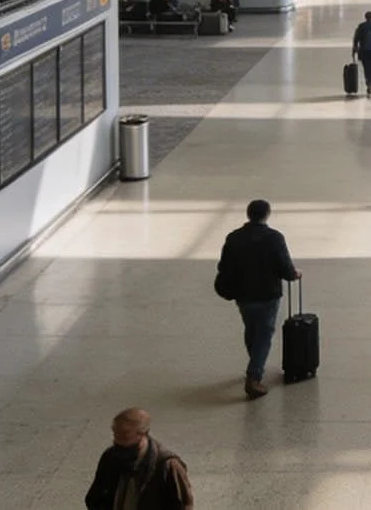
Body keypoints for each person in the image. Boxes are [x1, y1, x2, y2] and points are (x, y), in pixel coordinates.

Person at [213, 200, 301, 400]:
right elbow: (286, 269)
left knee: (252, 329)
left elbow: (224, 266)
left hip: (243, 295)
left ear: (248, 214)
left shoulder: (234, 238)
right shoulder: (274, 238)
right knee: (264, 333)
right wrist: (295, 274)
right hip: (268, 294)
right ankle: (254, 376)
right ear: (267, 215)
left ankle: (254, 363)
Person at [84, 407, 193, 509]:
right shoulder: (110, 457)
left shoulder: (168, 465)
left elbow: (184, 504)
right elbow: (95, 497)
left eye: (125, 436)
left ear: (143, 434)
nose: (118, 441)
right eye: (115, 434)